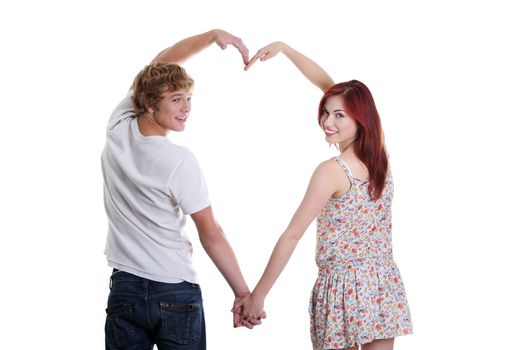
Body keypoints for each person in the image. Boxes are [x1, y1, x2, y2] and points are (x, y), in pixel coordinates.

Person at [235, 42, 413, 350]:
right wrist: (286, 51)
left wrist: (258, 296)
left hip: (342, 289)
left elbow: (292, 235)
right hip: (382, 284)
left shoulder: (332, 171)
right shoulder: (379, 157)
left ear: (360, 119)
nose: (328, 122)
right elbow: (330, 87)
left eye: (339, 116)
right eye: (326, 113)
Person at [101, 29, 262, 350]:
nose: (186, 107)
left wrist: (213, 36)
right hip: (174, 289)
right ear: (149, 103)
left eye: (188, 98)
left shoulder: (118, 125)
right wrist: (243, 292)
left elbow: (163, 61)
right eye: (176, 100)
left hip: (125, 291)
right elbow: (211, 232)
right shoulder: (178, 160)